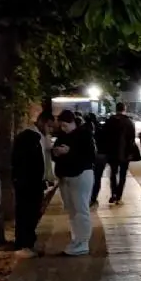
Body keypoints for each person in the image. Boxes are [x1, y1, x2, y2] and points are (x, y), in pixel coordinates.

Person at [51, 110, 98, 256]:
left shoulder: (84, 134)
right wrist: (57, 153)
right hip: (66, 177)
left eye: (65, 125)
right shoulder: (62, 136)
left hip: (81, 174)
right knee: (72, 210)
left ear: (72, 122)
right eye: (61, 126)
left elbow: (90, 156)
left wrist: (69, 152)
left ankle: (82, 242)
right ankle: (76, 239)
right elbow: (56, 156)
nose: (63, 128)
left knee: (80, 208)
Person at [11, 112, 57, 258]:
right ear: (42, 122)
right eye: (49, 126)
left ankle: (29, 242)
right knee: (26, 213)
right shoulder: (28, 137)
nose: (50, 130)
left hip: (34, 182)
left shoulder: (39, 138)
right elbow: (23, 162)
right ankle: (23, 244)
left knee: (32, 213)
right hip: (27, 183)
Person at [99, 102, 139, 205]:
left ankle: (113, 194)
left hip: (112, 153)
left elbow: (103, 136)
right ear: (124, 109)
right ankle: (119, 195)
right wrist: (130, 152)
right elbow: (131, 139)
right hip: (125, 153)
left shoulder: (109, 121)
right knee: (122, 175)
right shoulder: (129, 122)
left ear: (116, 109)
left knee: (113, 173)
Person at [85, 113, 106, 207]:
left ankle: (89, 196)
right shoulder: (101, 128)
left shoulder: (84, 130)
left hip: (90, 157)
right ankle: (93, 197)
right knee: (97, 178)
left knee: (89, 177)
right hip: (101, 156)